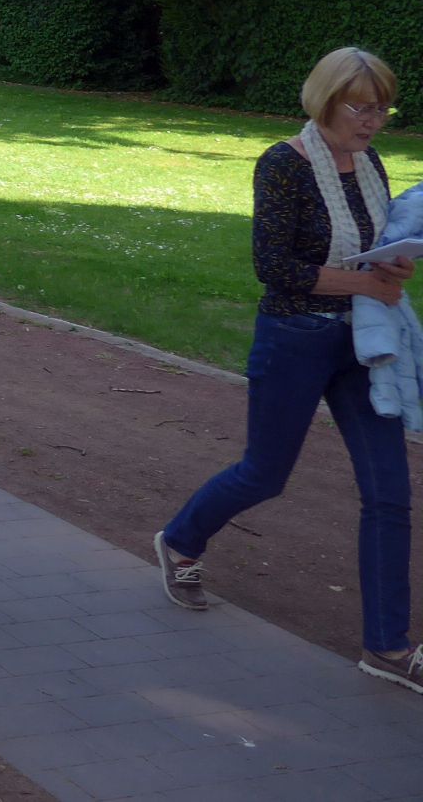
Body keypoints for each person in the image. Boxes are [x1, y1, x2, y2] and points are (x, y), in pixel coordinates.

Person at [154, 48, 421, 693]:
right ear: (326, 102)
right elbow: (274, 269)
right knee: (264, 474)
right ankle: (181, 540)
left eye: (384, 109)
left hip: (363, 343)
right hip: (294, 338)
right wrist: (364, 282)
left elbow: (369, 247)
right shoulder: (283, 164)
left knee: (389, 492)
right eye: (362, 108)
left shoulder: (370, 163)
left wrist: (394, 265)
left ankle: (387, 646)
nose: (374, 121)